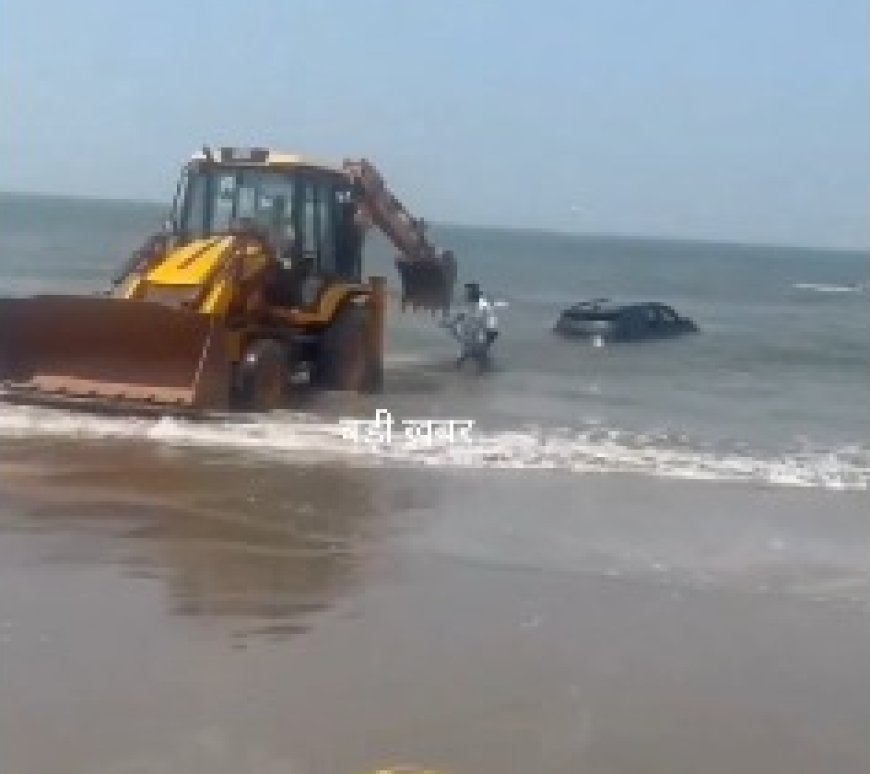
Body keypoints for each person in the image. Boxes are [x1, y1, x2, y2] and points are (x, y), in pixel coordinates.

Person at [440, 282, 505, 369]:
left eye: (468, 293)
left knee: (480, 365)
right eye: (467, 292)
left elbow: (492, 327)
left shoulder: (484, 306)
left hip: (479, 343)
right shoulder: (468, 305)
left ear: (475, 294)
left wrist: (486, 343)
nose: (466, 295)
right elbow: (461, 316)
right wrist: (449, 324)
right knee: (463, 363)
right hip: (469, 342)